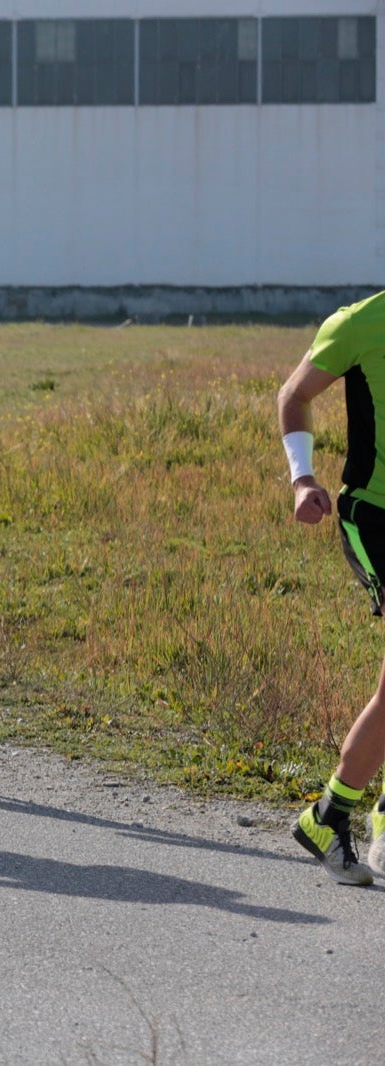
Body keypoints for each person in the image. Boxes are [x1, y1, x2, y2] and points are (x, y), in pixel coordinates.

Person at [278, 292, 385, 885]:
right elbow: (293, 396)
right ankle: (328, 816)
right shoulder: (358, 323)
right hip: (374, 515)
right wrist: (302, 479)